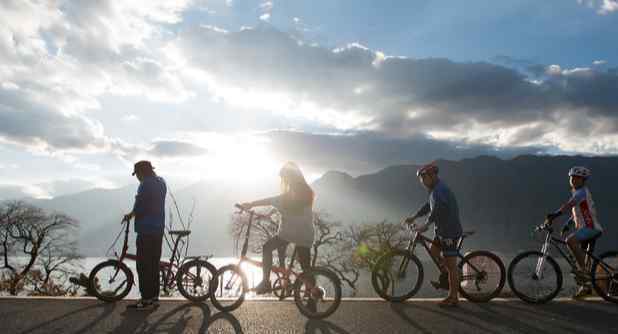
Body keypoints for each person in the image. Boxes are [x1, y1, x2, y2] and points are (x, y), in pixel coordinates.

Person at [240, 162, 315, 295]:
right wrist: (269, 214)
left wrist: (251, 204)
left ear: (290, 177)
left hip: (289, 233)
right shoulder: (307, 192)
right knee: (306, 267)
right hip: (306, 234)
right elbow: (289, 210)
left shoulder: (288, 196)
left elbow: (271, 200)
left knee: (267, 248)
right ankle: (312, 295)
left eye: (284, 178)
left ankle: (265, 282)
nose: (284, 181)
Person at [404, 162, 463, 307]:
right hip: (441, 231)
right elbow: (428, 206)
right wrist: (415, 216)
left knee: (450, 266)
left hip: (449, 232)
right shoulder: (434, 190)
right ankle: (448, 275)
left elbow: (437, 210)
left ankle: (453, 296)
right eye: (421, 180)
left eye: (425, 179)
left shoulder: (439, 190)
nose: (423, 182)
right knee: (433, 251)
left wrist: (426, 225)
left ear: (433, 176)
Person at [545, 166, 602, 298]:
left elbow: (569, 205)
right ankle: (585, 288)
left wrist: (555, 214)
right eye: (572, 178)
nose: (574, 180)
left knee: (570, 241)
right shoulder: (578, 193)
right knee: (578, 259)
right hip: (585, 229)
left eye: (578, 178)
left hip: (591, 228)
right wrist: (567, 224)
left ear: (583, 181)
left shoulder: (581, 192)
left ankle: (584, 272)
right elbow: (577, 213)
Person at [123, 160, 167, 310]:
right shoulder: (161, 182)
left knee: (143, 265)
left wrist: (131, 215)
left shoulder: (145, 184)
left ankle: (146, 299)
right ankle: (154, 298)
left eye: (137, 174)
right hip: (158, 229)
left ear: (142, 172)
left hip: (146, 229)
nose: (137, 177)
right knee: (154, 264)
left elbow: (140, 204)